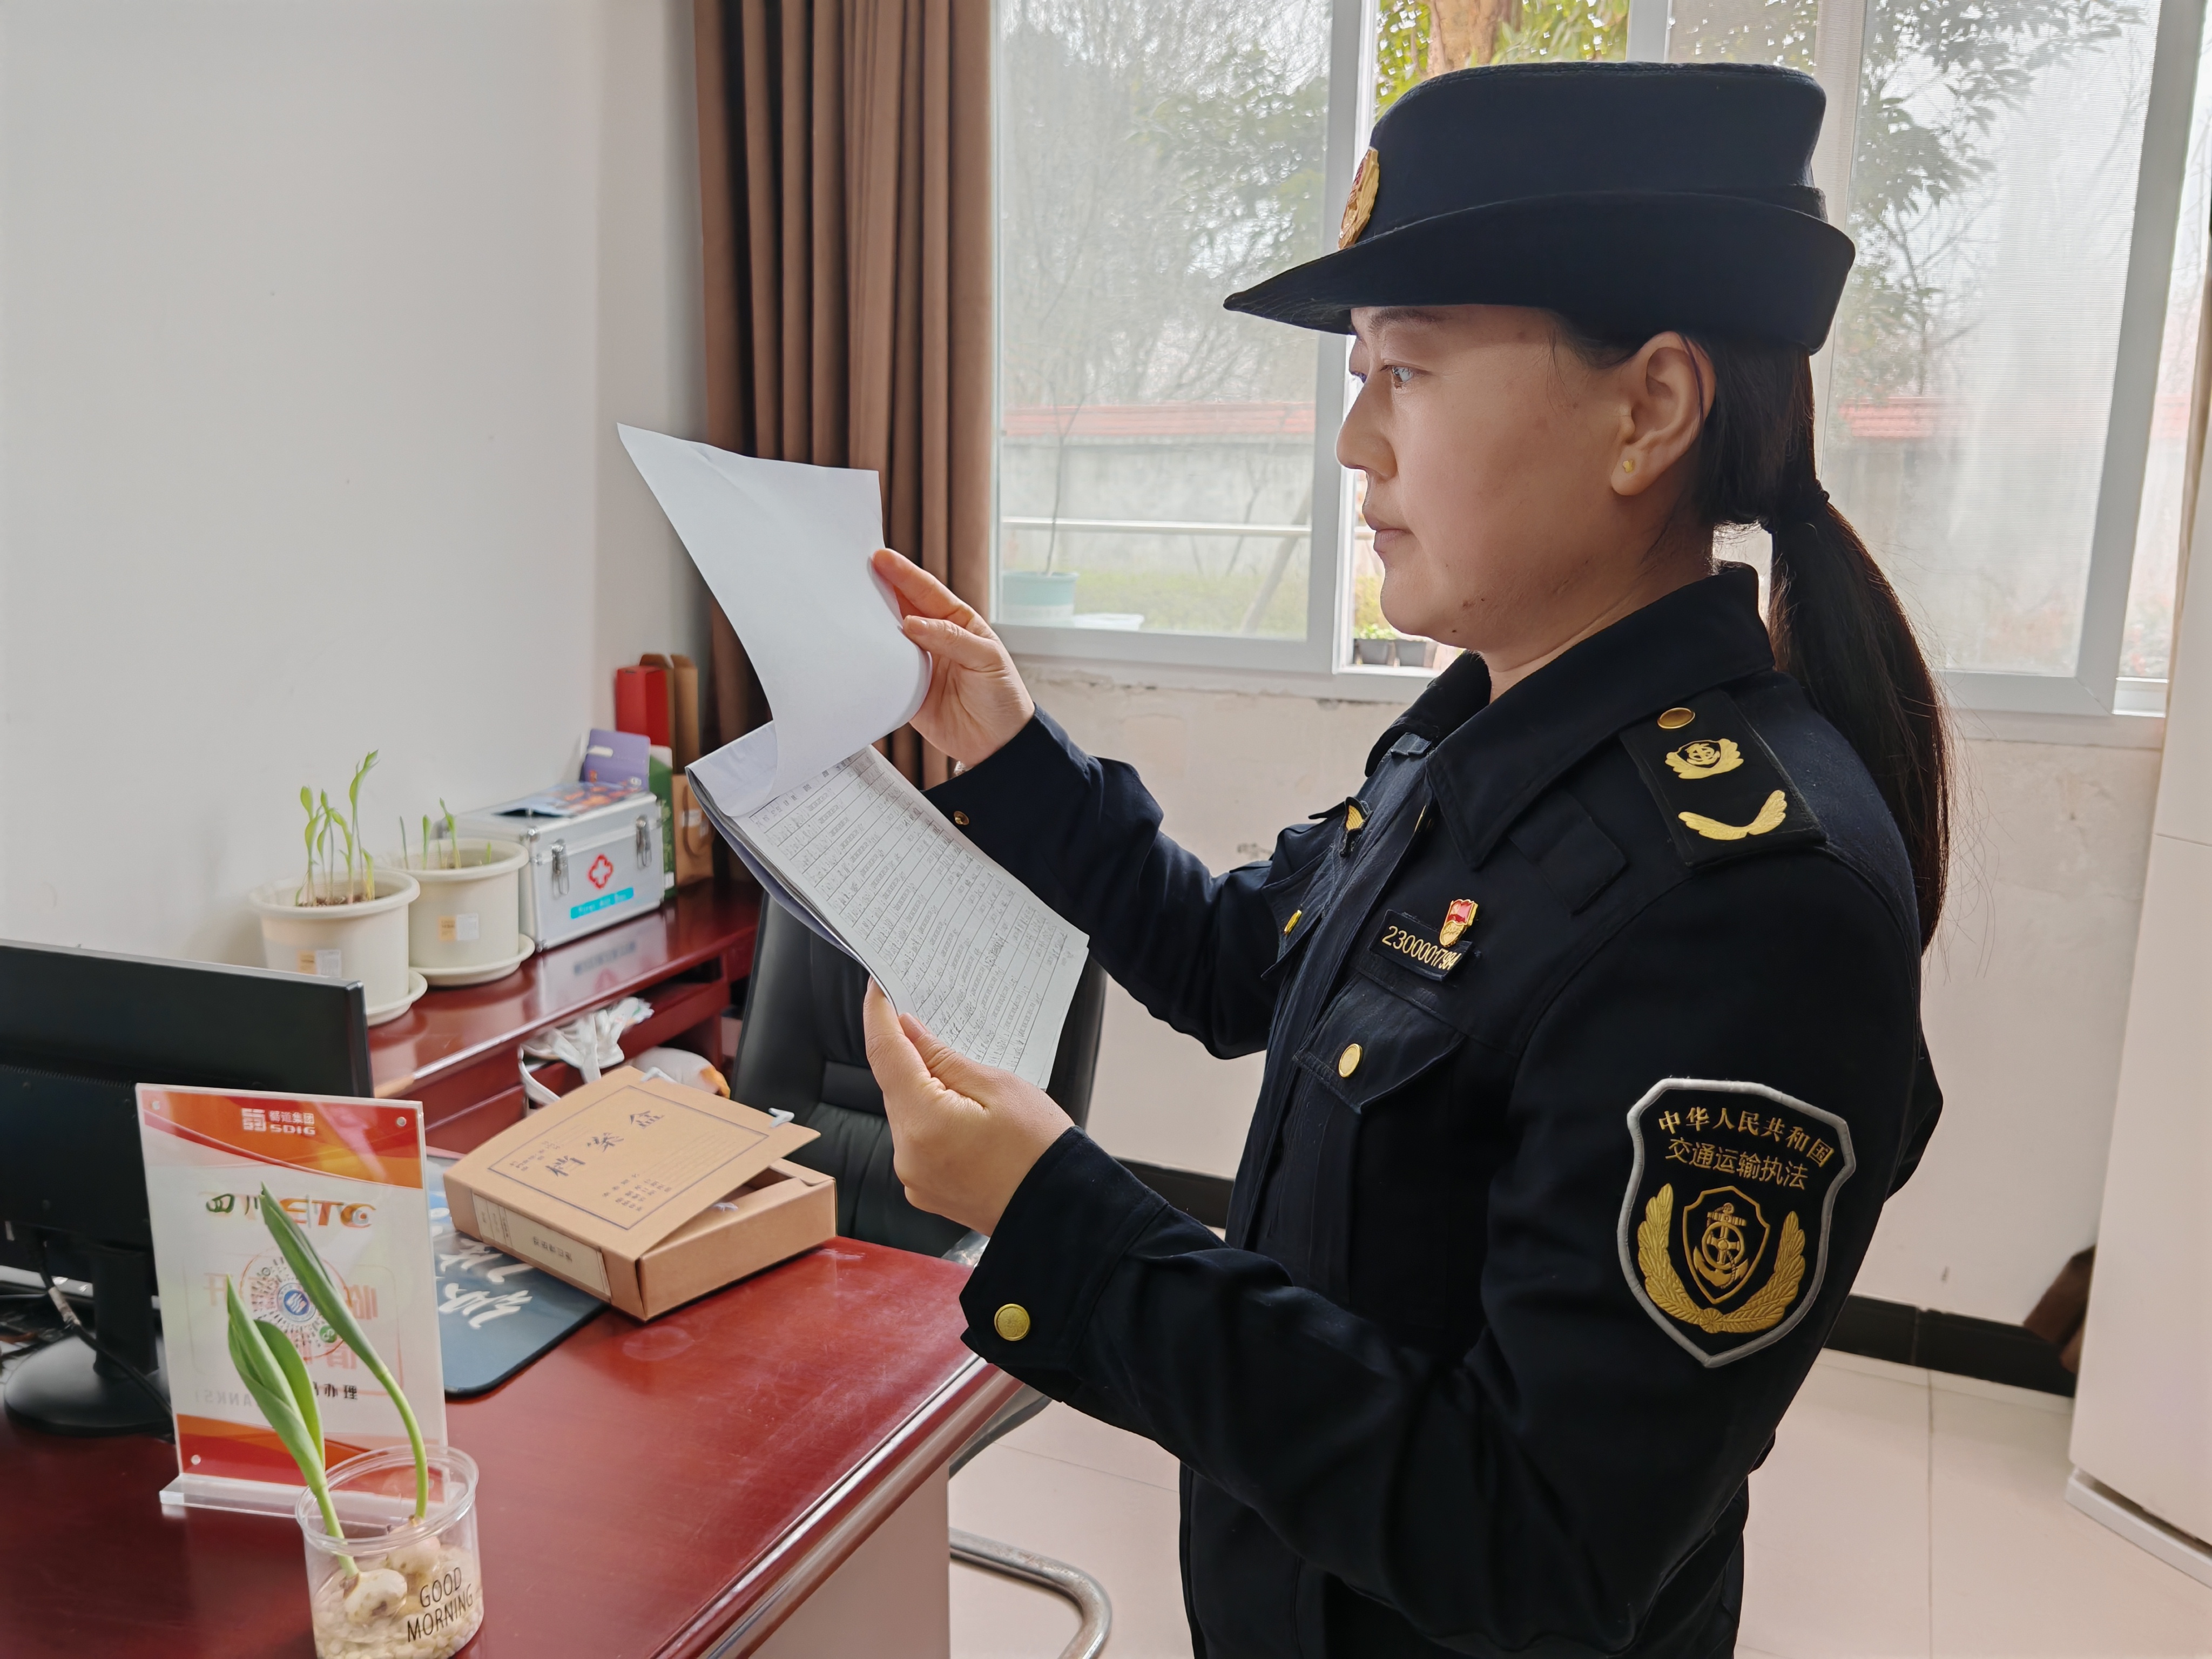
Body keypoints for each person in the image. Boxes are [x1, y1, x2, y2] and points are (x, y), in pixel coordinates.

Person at [861, 59, 1946, 1658]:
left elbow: (1542, 1546)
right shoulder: (1476, 742)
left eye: (1411, 371)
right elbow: (1239, 964)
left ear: (1649, 408)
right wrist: (1012, 751)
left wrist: (1061, 1218)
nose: (1354, 442)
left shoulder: (1754, 902)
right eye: (1360, 373)